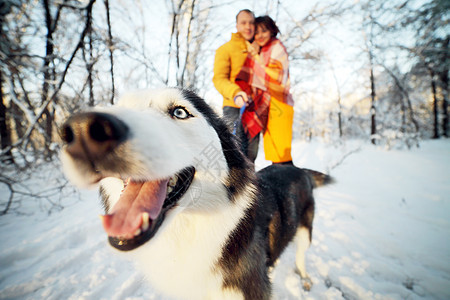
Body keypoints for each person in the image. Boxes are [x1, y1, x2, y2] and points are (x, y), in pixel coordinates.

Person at [235, 15, 294, 165]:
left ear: (272, 31)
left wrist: (255, 56)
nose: (260, 36)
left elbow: (276, 76)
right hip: (267, 105)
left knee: (282, 153)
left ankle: (292, 185)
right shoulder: (261, 50)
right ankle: (282, 186)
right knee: (273, 152)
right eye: (257, 32)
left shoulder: (277, 48)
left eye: (264, 31)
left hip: (280, 103)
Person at [213, 9, 260, 162]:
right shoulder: (225, 49)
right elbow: (219, 79)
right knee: (235, 155)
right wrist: (236, 93)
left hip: (254, 111)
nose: (248, 27)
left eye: (251, 23)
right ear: (237, 25)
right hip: (234, 107)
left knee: (251, 156)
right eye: (244, 23)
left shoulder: (259, 50)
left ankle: (250, 185)